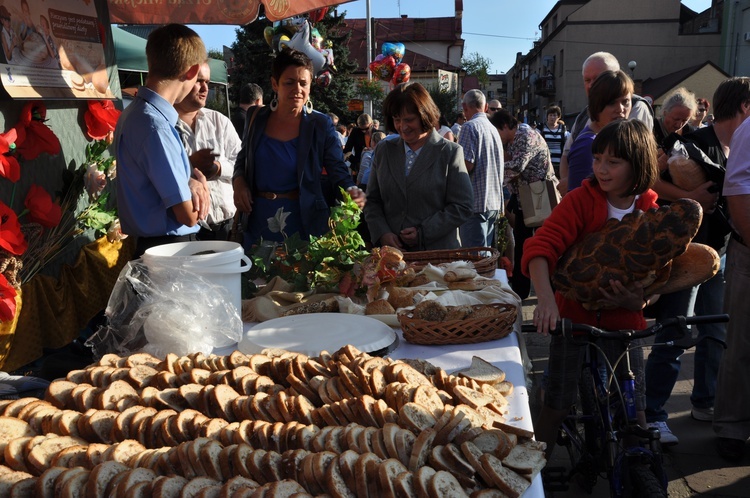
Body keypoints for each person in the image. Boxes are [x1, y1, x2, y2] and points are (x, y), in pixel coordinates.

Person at [523, 119, 661, 457]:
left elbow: (661, 274)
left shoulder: (652, 212)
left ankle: (637, 463)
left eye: (613, 162)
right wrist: (546, 303)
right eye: (598, 158)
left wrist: (641, 300)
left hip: (624, 322)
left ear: (638, 163)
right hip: (574, 318)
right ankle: (531, 468)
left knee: (635, 408)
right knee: (556, 404)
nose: (600, 168)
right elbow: (540, 250)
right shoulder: (580, 201)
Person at [646, 77, 750, 447]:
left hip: (721, 252)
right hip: (688, 254)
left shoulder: (735, 143)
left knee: (716, 332)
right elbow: (653, 182)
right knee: (675, 332)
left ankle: (705, 402)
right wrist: (689, 194)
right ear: (743, 107)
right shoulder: (693, 143)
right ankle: (653, 412)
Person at [232, 48, 365, 247]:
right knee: (257, 277)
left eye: (304, 83)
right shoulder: (255, 117)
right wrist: (238, 181)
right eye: (289, 82)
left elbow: (337, 169)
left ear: (310, 86)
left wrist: (351, 189)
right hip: (258, 219)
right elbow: (243, 160)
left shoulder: (320, 124)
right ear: (275, 84)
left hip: (304, 223)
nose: (298, 89)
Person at [113, 24, 210, 258]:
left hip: (156, 246)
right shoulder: (155, 126)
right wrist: (203, 186)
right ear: (191, 71)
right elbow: (187, 215)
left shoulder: (136, 113)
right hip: (169, 251)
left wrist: (189, 180)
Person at [364, 82, 473, 251]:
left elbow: (462, 206)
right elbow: (372, 200)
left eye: (409, 120)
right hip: (391, 258)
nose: (403, 127)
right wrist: (382, 233)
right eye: (397, 119)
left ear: (425, 116)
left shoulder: (450, 152)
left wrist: (423, 232)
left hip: (437, 258)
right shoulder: (384, 150)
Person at [714, 83, 750, 462]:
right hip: (748, 251)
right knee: (741, 343)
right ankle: (732, 427)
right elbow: (737, 188)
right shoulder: (748, 129)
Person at [558, 52, 654, 195]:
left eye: (598, 79)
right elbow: (568, 154)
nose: (592, 85)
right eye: (587, 80)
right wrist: (569, 182)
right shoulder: (585, 128)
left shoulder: (637, 107)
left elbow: (639, 164)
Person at [491, 109, 556, 299]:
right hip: (527, 199)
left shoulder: (524, 135)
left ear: (505, 126)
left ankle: (550, 290)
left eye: (497, 133)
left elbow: (518, 166)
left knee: (544, 243)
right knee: (522, 244)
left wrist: (492, 172)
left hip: (539, 197)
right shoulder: (515, 138)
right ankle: (521, 289)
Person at [175, 62, 242, 241]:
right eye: (199, 81)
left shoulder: (219, 121)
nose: (205, 88)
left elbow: (243, 163)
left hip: (227, 227)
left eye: (208, 82)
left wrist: (218, 168)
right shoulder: (165, 125)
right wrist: (189, 165)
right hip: (186, 232)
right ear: (182, 81)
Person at [566, 70, 633, 192]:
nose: (620, 109)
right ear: (597, 105)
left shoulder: (614, 139)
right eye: (612, 103)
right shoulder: (587, 145)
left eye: (625, 102)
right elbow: (577, 202)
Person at [457, 89, 504, 248]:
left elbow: (466, 165)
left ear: (465, 107)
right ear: (485, 107)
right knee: (485, 259)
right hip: (493, 202)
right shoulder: (493, 129)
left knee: (474, 264)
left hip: (476, 204)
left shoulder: (469, 127)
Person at [538, 105, 568, 178]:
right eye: (550, 115)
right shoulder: (541, 128)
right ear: (547, 116)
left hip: (559, 164)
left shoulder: (563, 129)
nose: (552, 117)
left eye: (554, 115)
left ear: (558, 117)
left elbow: (568, 143)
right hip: (544, 164)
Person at [344, 113, 373, 178]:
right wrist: (355, 162)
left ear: (371, 124)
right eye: (361, 129)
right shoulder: (355, 131)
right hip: (358, 165)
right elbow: (347, 149)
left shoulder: (376, 133)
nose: (364, 131)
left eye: (366, 129)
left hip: (373, 165)